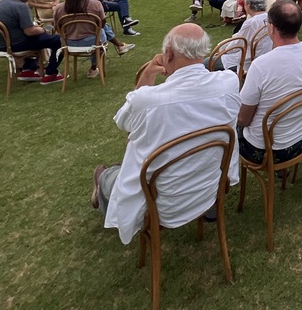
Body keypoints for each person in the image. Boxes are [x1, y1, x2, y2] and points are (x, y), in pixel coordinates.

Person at [91, 24, 240, 243]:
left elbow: (125, 122)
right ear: (203, 52)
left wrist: (148, 74)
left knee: (104, 174)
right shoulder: (229, 83)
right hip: (207, 188)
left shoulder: (147, 100)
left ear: (168, 53)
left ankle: (102, 182)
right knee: (133, 162)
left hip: (163, 205)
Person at [238, 1, 302, 164]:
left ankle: (221, 179)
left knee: (229, 127)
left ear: (271, 27)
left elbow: (243, 119)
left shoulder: (260, 65)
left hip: (267, 148)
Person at [0, 0, 63, 84]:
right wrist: (43, 30)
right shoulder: (21, 6)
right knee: (60, 40)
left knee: (37, 39)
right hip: (13, 45)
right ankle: (51, 73)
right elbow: (29, 31)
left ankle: (28, 70)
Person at [54, 0, 134, 77]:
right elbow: (102, 24)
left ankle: (119, 46)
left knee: (100, 29)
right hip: (92, 43)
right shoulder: (95, 4)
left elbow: (57, 27)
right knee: (100, 30)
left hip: (68, 43)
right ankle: (93, 68)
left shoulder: (59, 8)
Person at [213, 0, 272, 73]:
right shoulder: (269, 18)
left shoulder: (251, 22)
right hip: (263, 57)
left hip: (247, 60)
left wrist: (223, 51)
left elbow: (237, 43)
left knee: (208, 62)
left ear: (249, 4)